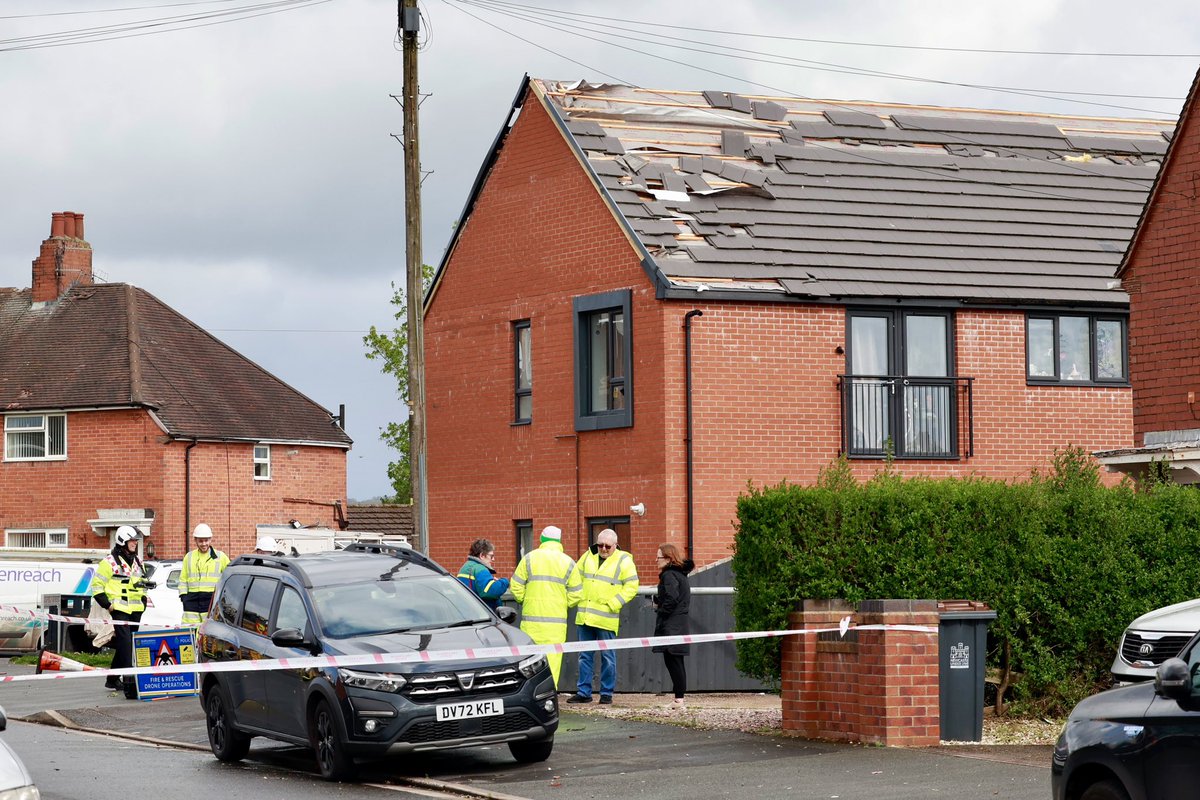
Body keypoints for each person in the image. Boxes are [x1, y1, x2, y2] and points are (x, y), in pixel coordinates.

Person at [566, 528, 639, 705]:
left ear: (615, 545)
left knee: (608, 657)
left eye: (607, 546)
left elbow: (632, 585)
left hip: (606, 617)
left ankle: (606, 693)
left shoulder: (623, 560)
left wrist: (614, 603)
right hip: (585, 616)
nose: (603, 549)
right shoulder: (587, 556)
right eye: (600, 545)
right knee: (585, 656)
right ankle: (584, 692)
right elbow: (575, 578)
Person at [510, 525, 582, 687]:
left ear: (541, 540)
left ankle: (530, 694)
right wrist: (562, 604)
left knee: (530, 661)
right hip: (555, 625)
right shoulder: (568, 562)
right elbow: (577, 593)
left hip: (531, 623)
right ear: (559, 541)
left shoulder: (529, 558)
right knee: (553, 661)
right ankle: (550, 694)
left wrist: (525, 600)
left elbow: (515, 586)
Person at [90, 525, 151, 694]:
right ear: (122, 541)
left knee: (128, 644)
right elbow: (96, 587)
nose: (135, 544)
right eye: (132, 541)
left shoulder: (138, 561)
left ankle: (111, 679)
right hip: (119, 610)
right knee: (125, 645)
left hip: (136, 610)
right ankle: (130, 683)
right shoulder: (109, 562)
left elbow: (143, 584)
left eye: (135, 541)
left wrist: (143, 601)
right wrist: (108, 606)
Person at [652, 543, 693, 709]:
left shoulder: (669, 575)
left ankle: (679, 699)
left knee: (673, 661)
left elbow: (672, 598)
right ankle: (679, 698)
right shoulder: (680, 575)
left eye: (659, 557)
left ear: (668, 558)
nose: (656, 560)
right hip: (679, 625)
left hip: (672, 626)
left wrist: (660, 608)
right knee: (677, 662)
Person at [178, 523, 230, 626]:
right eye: (200, 541)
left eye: (206, 540)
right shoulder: (189, 557)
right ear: (195, 540)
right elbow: (183, 579)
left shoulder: (220, 557)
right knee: (189, 631)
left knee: (209, 631)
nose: (204, 544)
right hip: (191, 601)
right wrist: (184, 597)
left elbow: (229, 578)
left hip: (211, 600)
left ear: (210, 540)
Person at [457, 538, 510, 611]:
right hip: (482, 614)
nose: (493, 559)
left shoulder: (465, 567)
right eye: (491, 556)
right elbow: (490, 591)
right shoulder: (480, 569)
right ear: (482, 555)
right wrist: (504, 581)